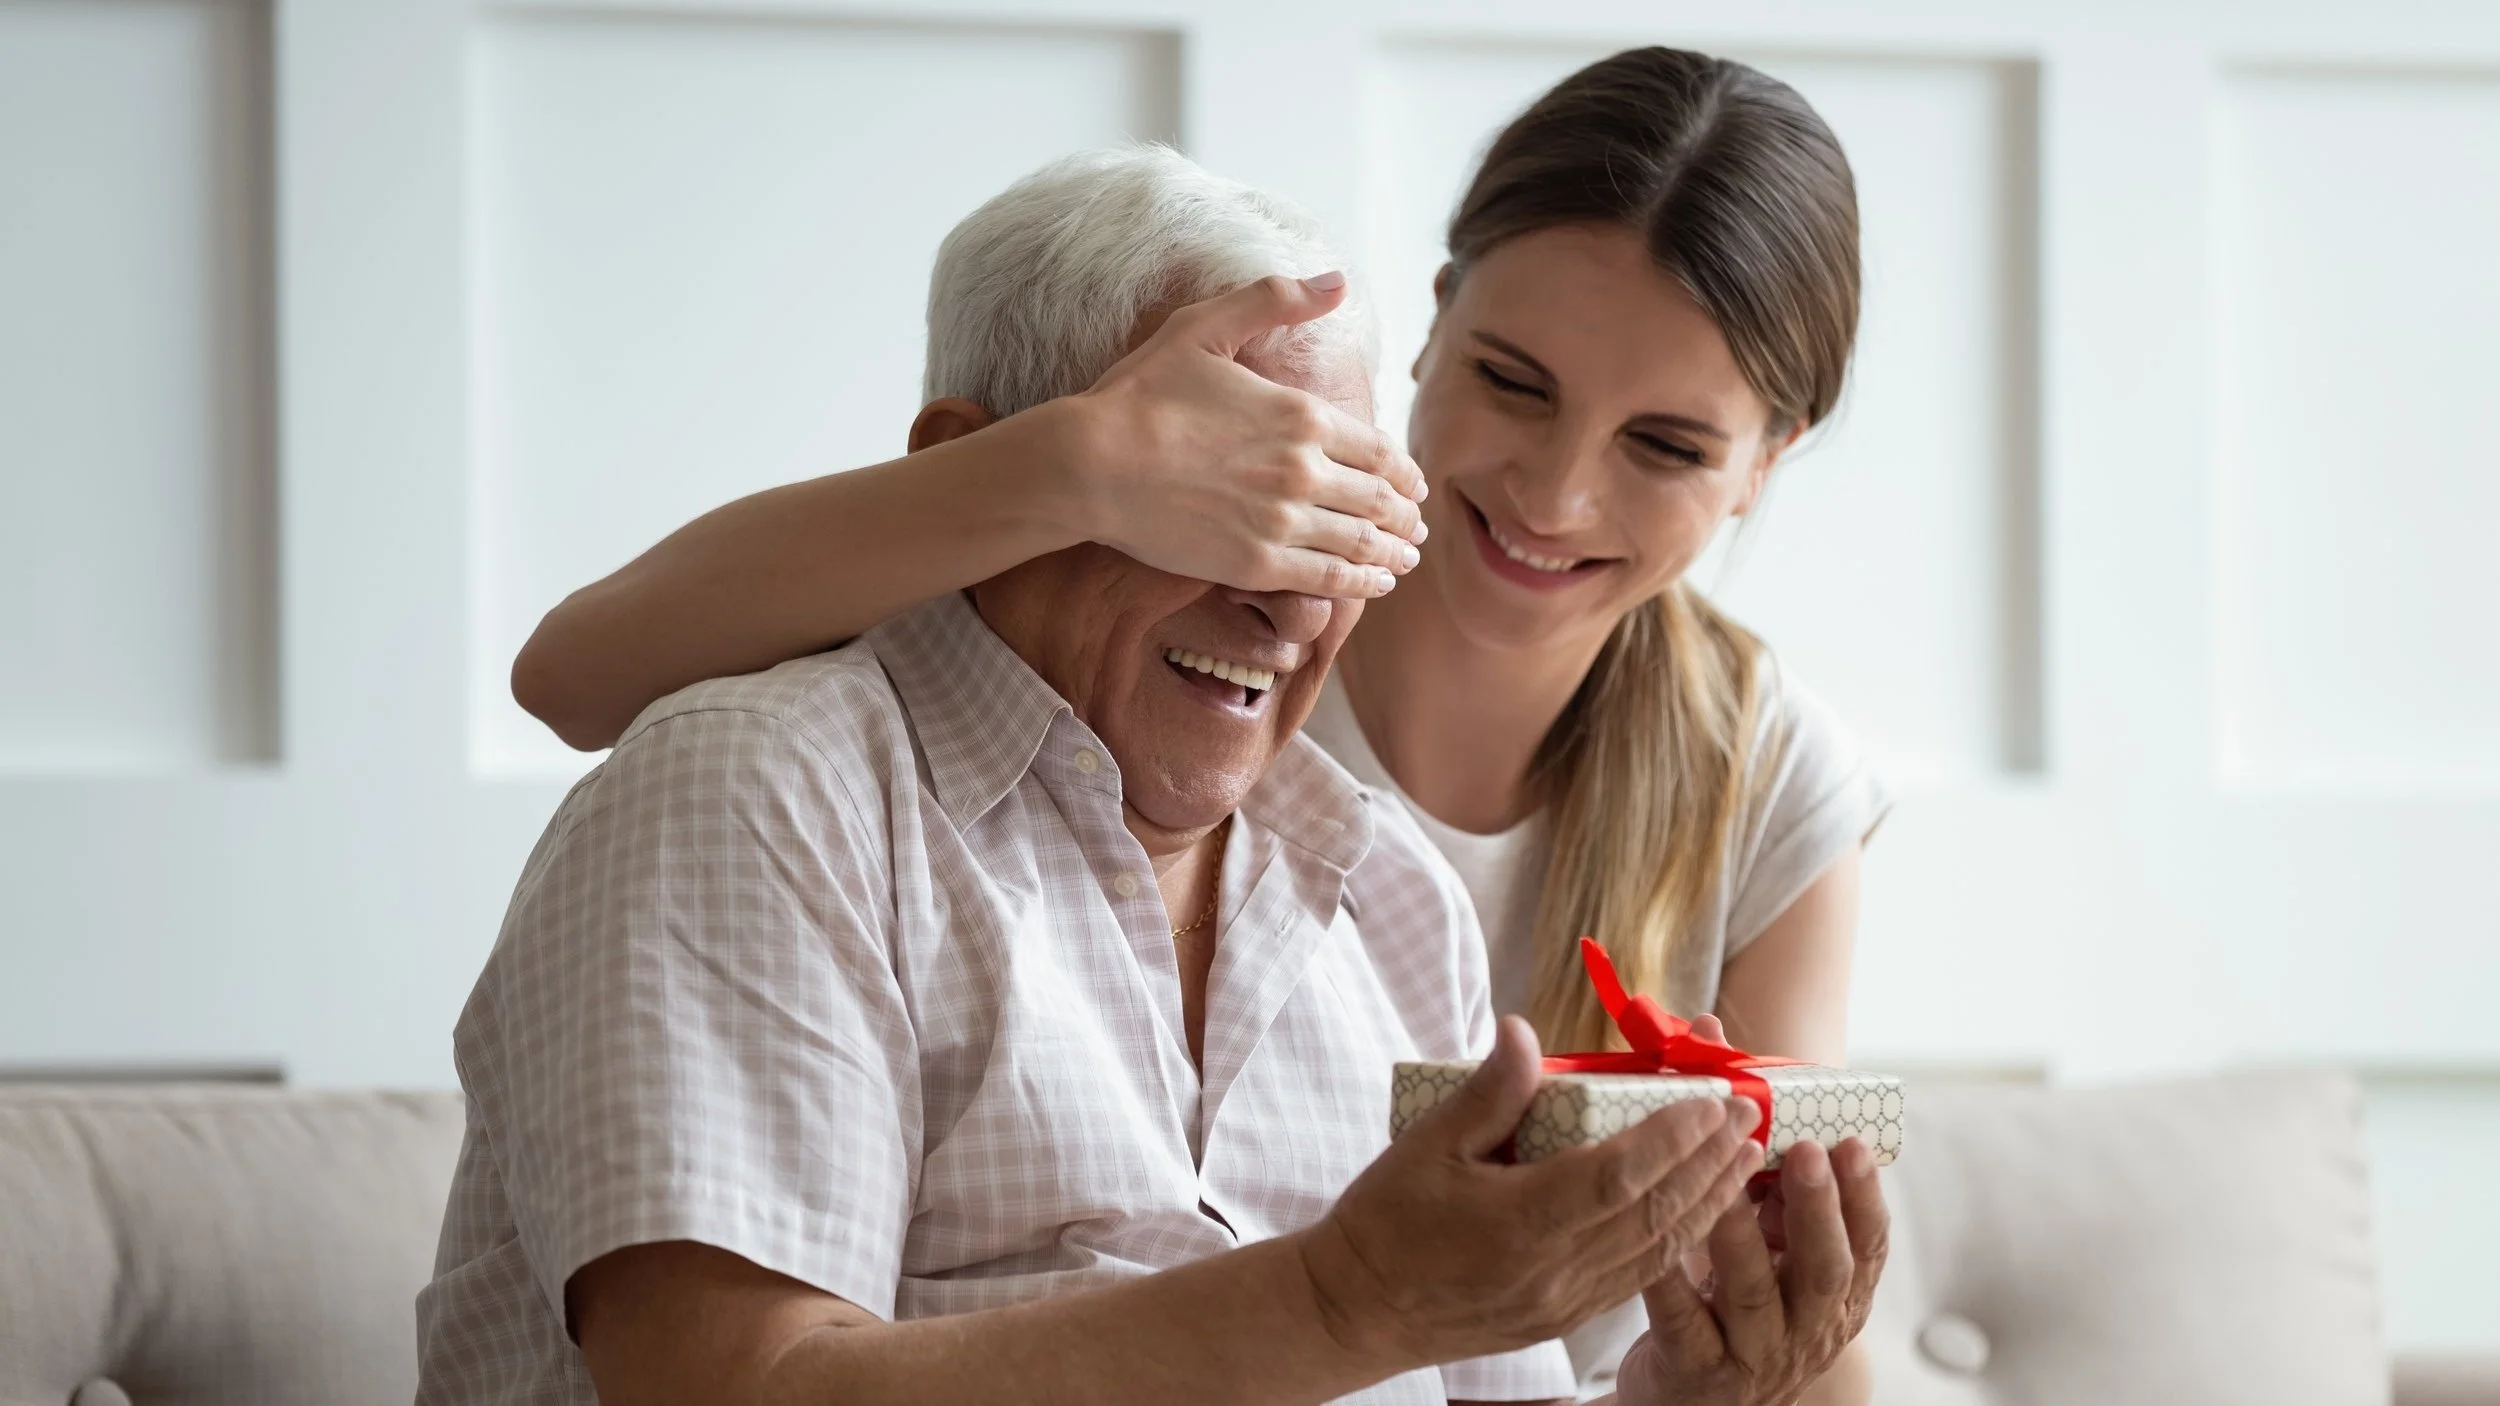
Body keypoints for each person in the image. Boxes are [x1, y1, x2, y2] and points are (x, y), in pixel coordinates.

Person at [512, 47, 1891, 1404]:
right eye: (1229, 501)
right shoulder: (785, 788)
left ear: (1770, 459)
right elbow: (578, 674)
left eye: (1665, 443)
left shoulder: (1391, 889)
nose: (1553, 497)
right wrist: (1343, 1299)